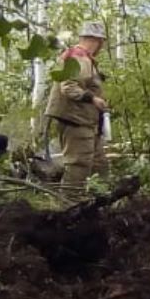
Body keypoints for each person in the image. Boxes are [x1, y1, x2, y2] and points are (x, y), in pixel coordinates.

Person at [44, 21, 111, 195]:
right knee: (78, 165)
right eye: (101, 42)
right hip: (76, 121)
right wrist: (93, 99)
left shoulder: (83, 58)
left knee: (99, 163)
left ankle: (100, 202)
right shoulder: (79, 56)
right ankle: (68, 206)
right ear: (97, 40)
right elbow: (69, 86)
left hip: (86, 122)